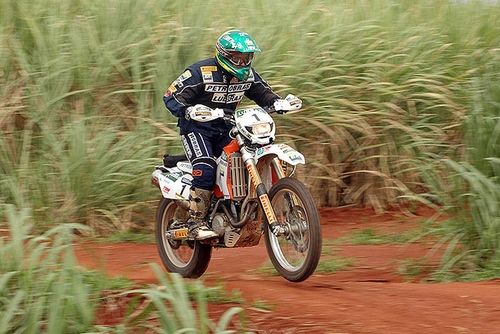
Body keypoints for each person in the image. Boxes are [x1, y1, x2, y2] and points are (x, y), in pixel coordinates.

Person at [163, 29, 300, 240]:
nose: (243, 62)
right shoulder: (200, 72)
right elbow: (171, 96)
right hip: (197, 128)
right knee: (206, 166)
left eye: (247, 58)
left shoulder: (249, 75)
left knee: (246, 157)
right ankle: (194, 222)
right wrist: (188, 110)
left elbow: (264, 94)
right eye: (238, 57)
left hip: (227, 126)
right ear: (224, 55)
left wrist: (278, 103)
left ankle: (239, 207)